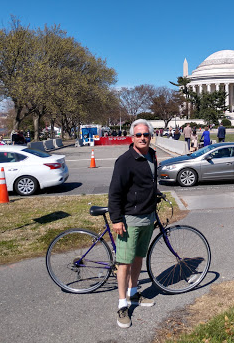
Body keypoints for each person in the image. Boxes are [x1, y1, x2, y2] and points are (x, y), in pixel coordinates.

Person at [108, 119, 159, 329]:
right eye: (138, 135)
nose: (142, 138)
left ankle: (134, 293)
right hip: (129, 219)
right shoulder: (125, 160)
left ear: (150, 135)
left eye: (145, 134)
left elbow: (150, 182)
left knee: (139, 257)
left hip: (148, 216)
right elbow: (115, 192)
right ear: (132, 137)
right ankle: (122, 305)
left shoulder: (152, 155)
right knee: (124, 262)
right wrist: (117, 219)